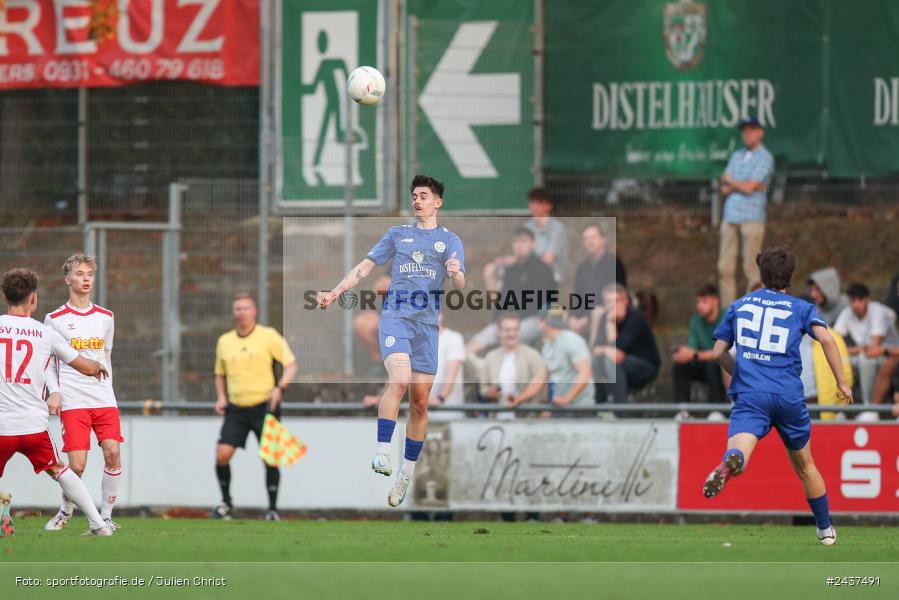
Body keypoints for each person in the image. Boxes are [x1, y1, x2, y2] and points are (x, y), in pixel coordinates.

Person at [318, 175, 465, 508]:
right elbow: (365, 268)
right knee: (399, 381)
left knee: (420, 404)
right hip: (396, 320)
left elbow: (461, 283)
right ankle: (383, 451)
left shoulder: (450, 241)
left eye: (423, 196)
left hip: (427, 328)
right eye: (414, 195)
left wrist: (456, 272)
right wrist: (334, 291)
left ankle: (405, 475)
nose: (417, 200)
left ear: (437, 202)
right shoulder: (398, 235)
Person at [704, 247, 852, 545]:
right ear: (791, 277)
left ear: (760, 274)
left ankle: (729, 462)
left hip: (750, 394)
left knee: (740, 450)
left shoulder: (739, 305)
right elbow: (826, 339)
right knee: (806, 465)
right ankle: (825, 532)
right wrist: (842, 382)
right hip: (788, 396)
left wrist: (740, 372)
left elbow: (718, 352)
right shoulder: (801, 307)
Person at [0, 268, 113, 536]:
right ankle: (99, 524)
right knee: (60, 470)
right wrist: (96, 365)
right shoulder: (44, 334)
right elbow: (82, 365)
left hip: (1, 425)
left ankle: (5, 513)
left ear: (5, 297)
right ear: (33, 299)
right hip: (33, 427)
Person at [43, 255, 123, 532]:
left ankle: (107, 517)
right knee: (76, 467)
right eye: (79, 273)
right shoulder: (54, 319)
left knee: (113, 452)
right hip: (73, 399)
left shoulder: (106, 317)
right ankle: (65, 511)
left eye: (90, 273)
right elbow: (48, 364)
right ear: (68, 279)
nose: (86, 278)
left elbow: (106, 356)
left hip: (103, 397)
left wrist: (108, 391)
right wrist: (55, 393)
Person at [212, 293, 297, 521]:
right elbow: (219, 374)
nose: (241, 312)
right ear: (233, 312)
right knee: (222, 455)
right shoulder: (225, 341)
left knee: (270, 458)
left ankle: (272, 509)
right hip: (236, 409)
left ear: (254, 311)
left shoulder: (268, 336)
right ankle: (226, 503)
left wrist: (280, 388)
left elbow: (291, 364)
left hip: (265, 407)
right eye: (237, 308)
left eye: (246, 308)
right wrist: (221, 397)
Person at [467, 227, 557, 356]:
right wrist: (498, 322)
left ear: (533, 244)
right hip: (504, 323)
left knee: (507, 342)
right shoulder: (511, 269)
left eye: (524, 241)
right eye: (516, 242)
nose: (520, 245)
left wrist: (510, 322)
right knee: (469, 348)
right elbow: (501, 301)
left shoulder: (543, 269)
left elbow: (538, 303)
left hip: (532, 320)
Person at [717, 116, 775, 306]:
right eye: (745, 130)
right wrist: (745, 184)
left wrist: (734, 182)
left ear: (760, 132)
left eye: (751, 129)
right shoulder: (736, 155)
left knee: (751, 269)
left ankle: (752, 312)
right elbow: (724, 187)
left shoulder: (765, 157)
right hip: (730, 216)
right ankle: (728, 315)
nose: (747, 133)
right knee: (724, 267)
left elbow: (747, 186)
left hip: (752, 217)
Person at [484, 187, 569, 286]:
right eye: (532, 202)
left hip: (550, 274)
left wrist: (516, 260)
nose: (535, 206)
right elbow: (520, 253)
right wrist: (507, 260)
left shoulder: (557, 228)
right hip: (527, 270)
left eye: (539, 202)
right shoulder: (527, 226)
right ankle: (499, 301)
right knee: (492, 270)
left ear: (548, 206)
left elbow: (548, 259)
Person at [591, 284, 661, 404]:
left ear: (626, 301)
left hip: (646, 367)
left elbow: (619, 348)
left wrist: (610, 323)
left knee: (611, 360)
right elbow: (595, 348)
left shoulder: (635, 317)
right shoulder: (605, 317)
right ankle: (600, 406)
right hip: (621, 364)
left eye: (617, 301)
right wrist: (605, 350)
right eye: (608, 301)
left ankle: (620, 411)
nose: (612, 305)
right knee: (594, 360)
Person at [833, 283, 899, 406]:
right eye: (853, 300)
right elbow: (834, 341)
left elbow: (874, 348)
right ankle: (839, 405)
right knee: (837, 360)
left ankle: (868, 405)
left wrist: (846, 350)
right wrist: (857, 349)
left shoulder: (878, 311)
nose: (856, 305)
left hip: (889, 354)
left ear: (867, 300)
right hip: (868, 354)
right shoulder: (847, 313)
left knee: (865, 360)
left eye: (860, 300)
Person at [480, 314, 547, 419]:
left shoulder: (532, 355)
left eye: (515, 329)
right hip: (496, 419)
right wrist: (491, 392)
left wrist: (520, 398)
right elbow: (483, 388)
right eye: (507, 330)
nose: (511, 333)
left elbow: (540, 379)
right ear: (498, 332)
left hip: (527, 420)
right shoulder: (490, 357)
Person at [568, 223, 626, 336]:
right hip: (583, 316)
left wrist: (587, 318)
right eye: (586, 239)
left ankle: (594, 352)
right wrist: (573, 317)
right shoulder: (582, 268)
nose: (590, 242)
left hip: (606, 313)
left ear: (603, 240)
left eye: (593, 237)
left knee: (597, 314)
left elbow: (615, 298)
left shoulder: (614, 264)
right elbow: (577, 296)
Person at [671, 285, 725, 404]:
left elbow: (724, 353)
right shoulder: (696, 321)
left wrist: (695, 354)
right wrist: (683, 354)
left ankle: (717, 410)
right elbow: (692, 349)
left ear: (716, 301)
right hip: (704, 364)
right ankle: (684, 408)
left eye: (704, 301)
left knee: (712, 366)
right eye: (698, 302)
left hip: (725, 367)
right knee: (680, 366)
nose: (699, 306)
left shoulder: (726, 317)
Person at [538, 306, 594, 410]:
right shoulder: (547, 346)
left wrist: (566, 399)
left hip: (579, 410)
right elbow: (540, 378)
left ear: (543, 322)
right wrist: (520, 399)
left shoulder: (571, 340)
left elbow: (585, 373)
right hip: (559, 407)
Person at [428, 314, 466, 421]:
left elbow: (452, 373)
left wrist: (440, 399)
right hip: (422, 413)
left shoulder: (454, 338)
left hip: (448, 412)